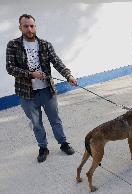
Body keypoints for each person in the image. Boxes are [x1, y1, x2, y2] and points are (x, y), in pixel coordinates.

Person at [6, 14, 77, 163]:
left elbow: (57, 62)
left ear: (35, 26)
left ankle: (63, 143)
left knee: (55, 120)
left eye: (32, 26)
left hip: (47, 90)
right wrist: (31, 74)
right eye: (26, 26)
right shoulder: (13, 45)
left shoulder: (45, 44)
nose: (29, 29)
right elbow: (10, 68)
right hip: (27, 94)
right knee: (36, 123)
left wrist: (68, 75)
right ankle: (43, 147)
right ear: (20, 27)